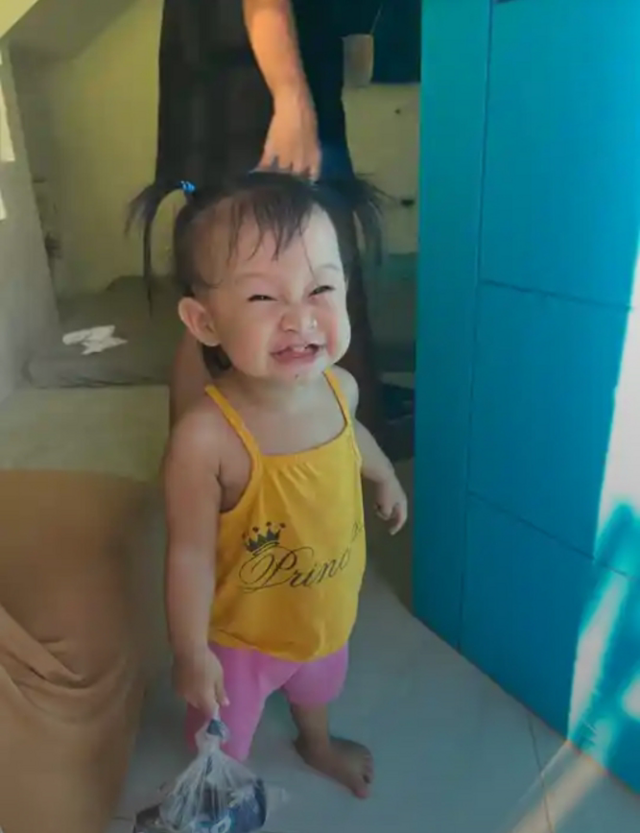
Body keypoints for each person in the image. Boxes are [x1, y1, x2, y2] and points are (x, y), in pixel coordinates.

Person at [162, 171, 408, 798]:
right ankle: (220, 788)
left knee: (319, 687)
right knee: (224, 733)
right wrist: (191, 653)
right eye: (263, 297)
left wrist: (382, 472)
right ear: (205, 321)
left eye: (321, 287)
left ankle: (315, 742)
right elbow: (188, 554)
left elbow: (351, 436)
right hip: (239, 639)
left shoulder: (339, 387)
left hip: (323, 610)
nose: (301, 318)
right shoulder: (206, 438)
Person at [134, 0, 411, 443]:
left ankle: (202, 459)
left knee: (217, 288)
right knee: (311, 270)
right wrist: (290, 98)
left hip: (225, 95)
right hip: (256, 98)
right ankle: (204, 459)